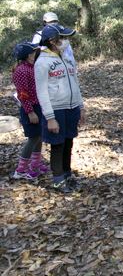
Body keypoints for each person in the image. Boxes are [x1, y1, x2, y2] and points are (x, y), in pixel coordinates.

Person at [35, 25, 85, 193]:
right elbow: (41, 91)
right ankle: (58, 180)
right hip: (55, 110)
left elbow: (75, 84)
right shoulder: (42, 62)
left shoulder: (67, 58)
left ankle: (67, 174)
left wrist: (81, 107)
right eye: (62, 38)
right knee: (58, 145)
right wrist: (50, 117)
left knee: (69, 141)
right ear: (52, 41)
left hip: (72, 108)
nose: (65, 41)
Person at [11, 42, 49, 180]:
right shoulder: (21, 70)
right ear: (28, 55)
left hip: (38, 106)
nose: (35, 54)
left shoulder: (32, 67)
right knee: (33, 138)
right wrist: (30, 112)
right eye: (33, 52)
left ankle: (35, 165)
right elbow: (23, 94)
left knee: (39, 135)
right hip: (30, 108)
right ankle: (20, 170)